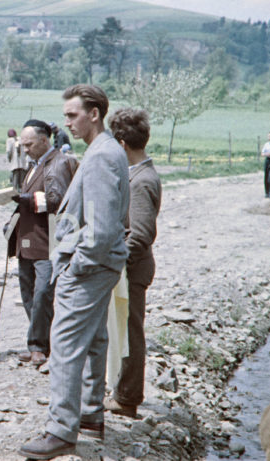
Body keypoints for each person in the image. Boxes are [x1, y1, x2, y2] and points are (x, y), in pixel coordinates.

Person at [19, 84, 129, 460]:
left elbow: (99, 229)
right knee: (96, 339)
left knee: (64, 345)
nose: (66, 122)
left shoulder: (100, 156)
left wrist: (73, 267)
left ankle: (61, 432)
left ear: (94, 114)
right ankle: (90, 416)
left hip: (89, 266)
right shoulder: (107, 151)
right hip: (100, 265)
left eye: (71, 115)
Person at [104, 108, 162, 418]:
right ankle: (122, 390)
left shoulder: (140, 181)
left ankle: (127, 398)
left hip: (131, 270)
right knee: (124, 331)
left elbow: (140, 236)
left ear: (122, 143)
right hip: (131, 268)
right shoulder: (141, 174)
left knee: (129, 334)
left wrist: (115, 265)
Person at [9, 119, 78, 366]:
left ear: (44, 140)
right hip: (27, 240)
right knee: (28, 294)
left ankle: (39, 346)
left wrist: (23, 198)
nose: (25, 149)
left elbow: (58, 201)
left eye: (28, 145)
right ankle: (39, 342)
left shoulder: (58, 163)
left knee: (42, 294)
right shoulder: (34, 164)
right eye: (23, 145)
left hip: (48, 241)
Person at [262, 131, 270, 198]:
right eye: (269, 136)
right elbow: (262, 153)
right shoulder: (266, 144)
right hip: (268, 161)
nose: (269, 138)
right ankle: (267, 192)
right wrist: (267, 154)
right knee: (266, 176)